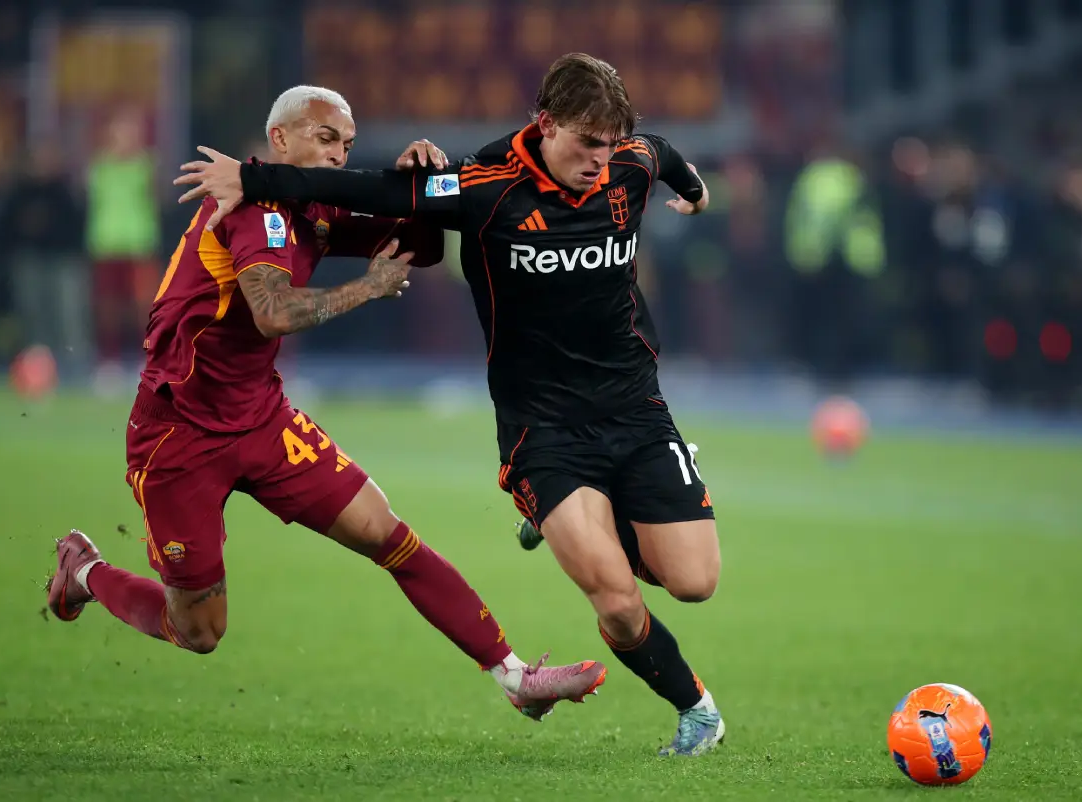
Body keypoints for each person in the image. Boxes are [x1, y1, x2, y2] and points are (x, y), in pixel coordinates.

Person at [173, 55, 723, 757]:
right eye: (588, 143)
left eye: (611, 145)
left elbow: (664, 154)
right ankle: (697, 710)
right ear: (546, 124)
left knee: (695, 583)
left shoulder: (629, 164)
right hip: (543, 427)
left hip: (636, 408)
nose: (600, 160)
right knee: (616, 602)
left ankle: (590, 513)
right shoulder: (482, 184)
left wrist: (695, 191)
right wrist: (254, 179)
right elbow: (368, 189)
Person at [46, 85, 608, 721]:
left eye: (347, 143)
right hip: (180, 431)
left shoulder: (311, 204)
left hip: (261, 416)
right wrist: (367, 288)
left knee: (388, 535)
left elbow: (420, 248)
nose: (340, 154)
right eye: (326, 138)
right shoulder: (251, 208)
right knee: (198, 631)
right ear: (280, 139)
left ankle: (515, 676)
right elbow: (271, 312)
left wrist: (418, 186)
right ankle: (85, 571)